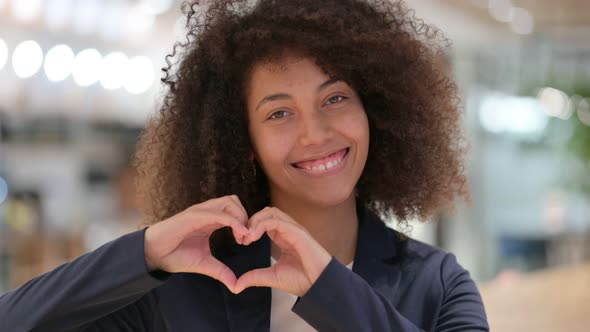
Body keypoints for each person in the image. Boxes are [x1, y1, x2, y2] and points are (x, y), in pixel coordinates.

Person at [0, 0, 489, 330]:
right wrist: (144, 251)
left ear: (373, 111)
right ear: (244, 141)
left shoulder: (439, 284)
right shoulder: (186, 288)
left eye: (335, 97)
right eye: (278, 112)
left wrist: (329, 288)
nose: (314, 133)